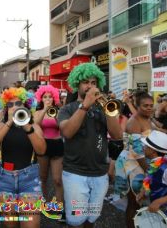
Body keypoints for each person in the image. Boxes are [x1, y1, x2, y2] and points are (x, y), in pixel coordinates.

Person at [57, 63, 122, 228]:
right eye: (86, 82)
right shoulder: (67, 109)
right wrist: (85, 105)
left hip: (100, 173)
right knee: (76, 220)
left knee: (91, 218)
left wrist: (108, 111)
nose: (90, 86)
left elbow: (117, 135)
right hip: (75, 173)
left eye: (94, 82)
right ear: (77, 84)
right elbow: (67, 132)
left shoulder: (103, 109)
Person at [0, 87, 46, 228]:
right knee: (10, 224)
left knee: (32, 225)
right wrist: (8, 122)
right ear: (5, 108)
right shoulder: (1, 126)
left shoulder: (34, 127)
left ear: (26, 106)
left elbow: (42, 151)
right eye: (10, 105)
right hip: (4, 180)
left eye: (18, 104)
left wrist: (27, 127)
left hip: (29, 180)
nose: (14, 108)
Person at [114, 91, 154, 228]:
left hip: (142, 163)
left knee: (140, 200)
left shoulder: (148, 119)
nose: (149, 108)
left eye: (151, 105)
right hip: (133, 165)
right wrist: (149, 170)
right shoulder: (134, 122)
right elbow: (137, 152)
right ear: (137, 106)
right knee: (133, 202)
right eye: (145, 105)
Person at [137, 130, 167, 228]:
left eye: (146, 146)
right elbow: (149, 177)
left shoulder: (166, 169)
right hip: (161, 214)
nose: (143, 147)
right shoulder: (155, 163)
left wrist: (159, 201)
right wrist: (143, 191)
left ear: (153, 151)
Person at [34, 85, 64, 207]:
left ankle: (59, 207)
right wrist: (44, 110)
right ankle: (43, 204)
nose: (48, 99)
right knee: (43, 178)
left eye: (50, 97)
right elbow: (35, 125)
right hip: (43, 144)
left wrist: (55, 115)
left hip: (57, 144)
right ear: (41, 99)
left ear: (54, 98)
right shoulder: (37, 112)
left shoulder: (59, 111)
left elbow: (61, 127)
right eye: (45, 97)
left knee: (57, 180)